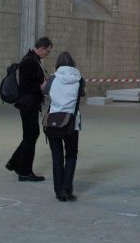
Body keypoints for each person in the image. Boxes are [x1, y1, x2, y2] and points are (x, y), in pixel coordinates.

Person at [6, 36, 53, 181]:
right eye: (48, 51)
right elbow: (25, 85)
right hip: (27, 104)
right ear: (42, 48)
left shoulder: (34, 59)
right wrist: (40, 86)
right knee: (31, 136)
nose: (48, 54)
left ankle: (15, 163)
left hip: (30, 104)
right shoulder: (29, 61)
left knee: (30, 135)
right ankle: (25, 171)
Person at [43, 50, 85, 201]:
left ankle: (59, 191)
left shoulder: (52, 78)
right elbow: (81, 94)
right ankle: (67, 188)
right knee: (71, 155)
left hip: (54, 121)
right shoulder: (80, 79)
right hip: (71, 122)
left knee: (57, 157)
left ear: (58, 64)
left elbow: (45, 92)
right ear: (73, 63)